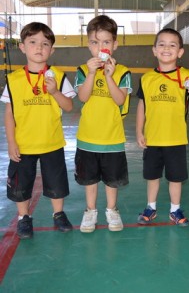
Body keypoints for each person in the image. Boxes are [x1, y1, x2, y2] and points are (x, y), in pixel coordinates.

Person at [0, 22, 75, 239]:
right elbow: (9, 113)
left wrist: (55, 92)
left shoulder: (58, 77)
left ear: (52, 50)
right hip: (23, 144)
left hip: (52, 142)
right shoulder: (13, 80)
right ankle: (24, 218)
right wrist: (12, 142)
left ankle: (58, 213)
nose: (39, 47)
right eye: (32, 42)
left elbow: (68, 106)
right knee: (21, 185)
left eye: (45, 43)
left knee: (57, 182)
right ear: (22, 47)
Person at [136, 28, 189, 226]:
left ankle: (175, 210)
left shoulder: (186, 77)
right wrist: (139, 131)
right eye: (162, 44)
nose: (167, 48)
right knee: (152, 176)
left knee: (176, 178)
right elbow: (142, 105)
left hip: (176, 139)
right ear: (154, 50)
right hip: (152, 139)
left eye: (172, 45)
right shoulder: (147, 78)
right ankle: (151, 207)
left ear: (180, 52)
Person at [74, 15, 132, 233]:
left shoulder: (123, 71)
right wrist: (91, 73)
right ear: (89, 44)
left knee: (112, 180)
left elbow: (120, 100)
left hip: (113, 138)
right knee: (89, 180)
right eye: (95, 42)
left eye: (106, 42)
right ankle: (90, 211)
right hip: (88, 137)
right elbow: (83, 97)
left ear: (115, 45)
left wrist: (109, 76)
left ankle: (111, 210)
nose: (101, 47)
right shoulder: (82, 69)